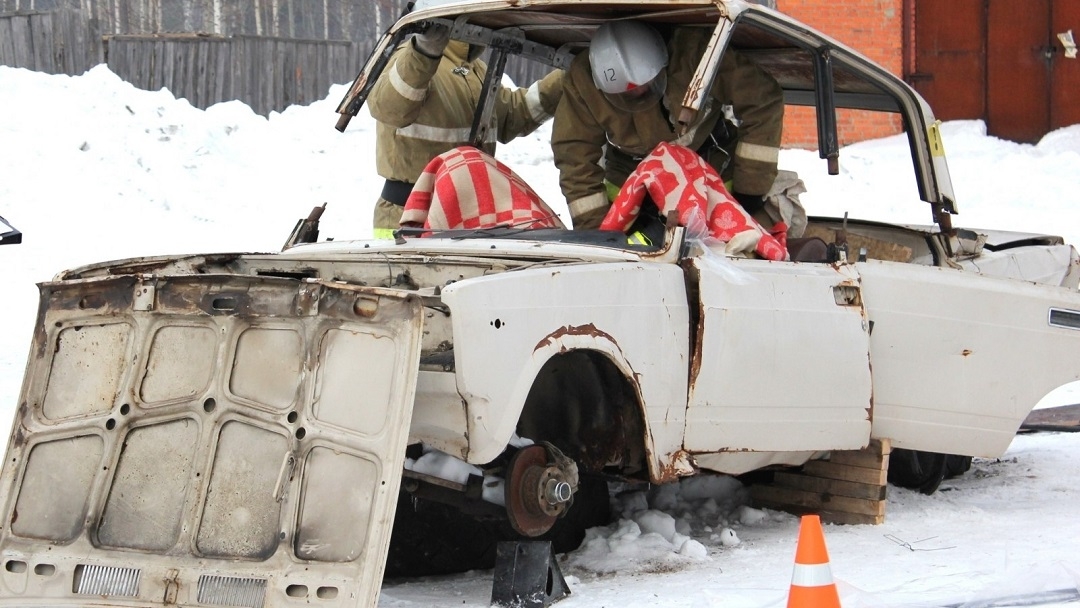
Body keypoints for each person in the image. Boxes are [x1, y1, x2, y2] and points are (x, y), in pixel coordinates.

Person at [551, 20, 785, 230]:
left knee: (737, 245)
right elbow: (574, 153)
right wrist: (598, 230)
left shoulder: (698, 53)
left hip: (711, 168)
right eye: (628, 95)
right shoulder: (582, 81)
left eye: (647, 85)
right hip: (628, 177)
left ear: (664, 60)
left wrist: (750, 191)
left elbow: (762, 99)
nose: (640, 94)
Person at [367, 23, 564, 238]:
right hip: (409, 220)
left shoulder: (474, 70)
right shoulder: (412, 58)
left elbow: (512, 117)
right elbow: (388, 107)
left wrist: (566, 78)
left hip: (468, 214)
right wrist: (424, 53)